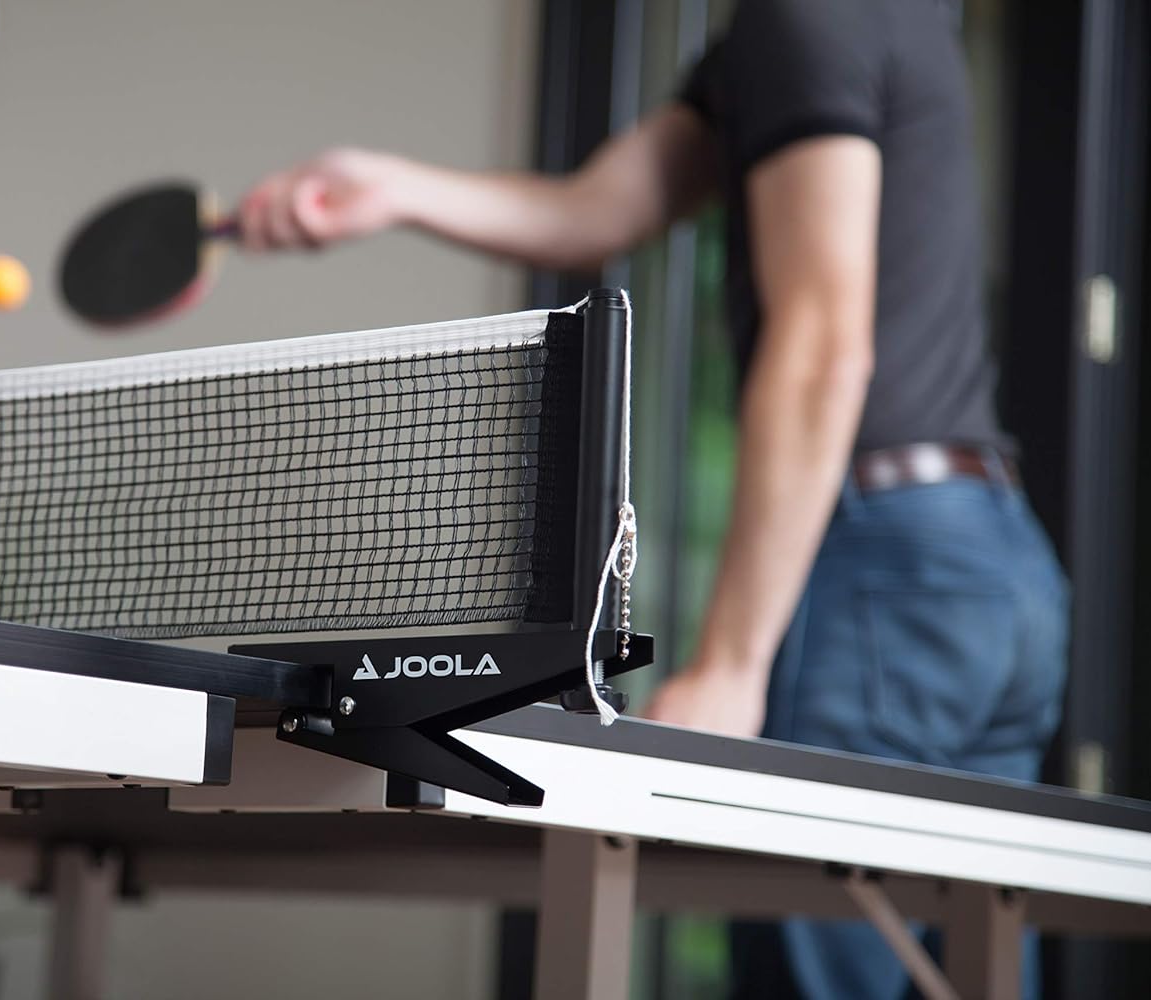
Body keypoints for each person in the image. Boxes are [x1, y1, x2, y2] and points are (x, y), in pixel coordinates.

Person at [236, 1, 1067, 996]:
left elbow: (822, 346)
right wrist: (392, 188)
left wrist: (730, 662)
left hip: (882, 573)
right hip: (995, 563)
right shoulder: (839, 27)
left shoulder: (806, 17)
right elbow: (600, 210)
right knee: (973, 958)